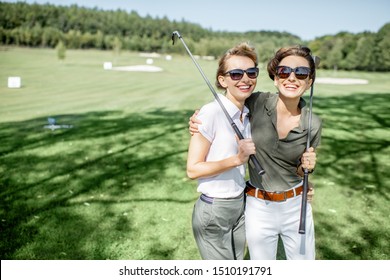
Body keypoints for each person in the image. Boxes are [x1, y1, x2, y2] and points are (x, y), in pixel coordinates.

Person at [189, 45, 322, 260]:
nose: (292, 78)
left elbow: (297, 171)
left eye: (302, 73)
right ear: (276, 78)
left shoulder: (313, 124)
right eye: (284, 71)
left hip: (296, 205)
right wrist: (197, 120)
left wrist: (307, 167)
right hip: (258, 206)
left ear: (309, 82)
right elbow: (224, 105)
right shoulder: (256, 102)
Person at [187, 42, 259, 260]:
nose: (245, 79)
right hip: (215, 209)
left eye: (251, 72)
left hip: (239, 204)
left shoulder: (247, 112)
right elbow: (193, 169)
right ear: (222, 80)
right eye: (236, 74)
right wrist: (237, 159)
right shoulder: (210, 113)